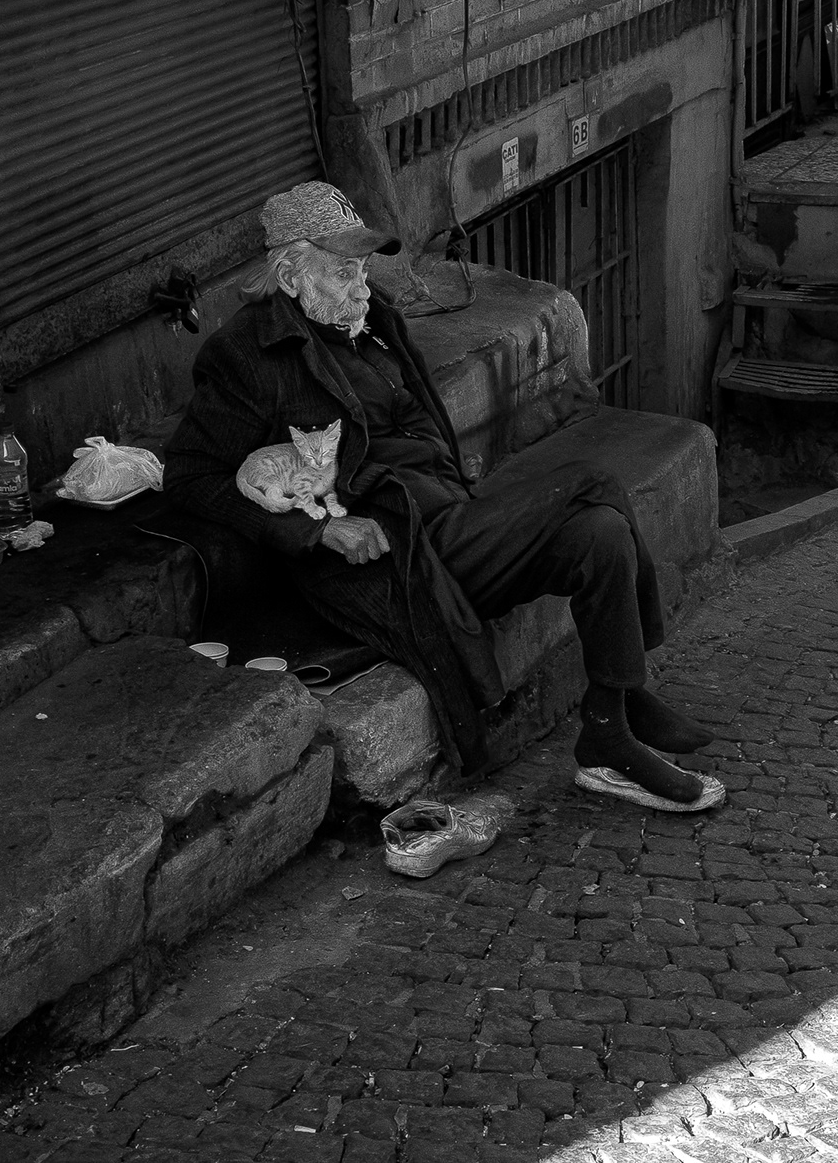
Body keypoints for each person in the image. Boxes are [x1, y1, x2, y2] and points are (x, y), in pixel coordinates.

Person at [163, 181, 725, 813]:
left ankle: (609, 725)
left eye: (363, 270)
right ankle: (631, 695)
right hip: (399, 553)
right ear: (291, 276)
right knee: (592, 483)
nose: (362, 288)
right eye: (344, 272)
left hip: (449, 515)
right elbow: (188, 474)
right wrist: (315, 531)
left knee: (600, 533)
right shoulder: (245, 356)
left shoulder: (371, 324)